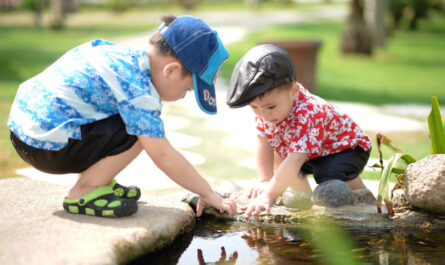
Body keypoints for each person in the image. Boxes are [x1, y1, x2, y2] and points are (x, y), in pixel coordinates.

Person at [7, 15, 236, 218]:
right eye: (187, 90)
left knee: (132, 121)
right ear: (172, 70)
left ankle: (99, 181)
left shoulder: (118, 55)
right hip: (45, 147)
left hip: (24, 133)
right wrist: (207, 192)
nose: (183, 97)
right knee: (143, 132)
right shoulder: (138, 89)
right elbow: (163, 155)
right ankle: (85, 191)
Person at [226, 44, 371, 218]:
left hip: (347, 149)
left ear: (294, 91)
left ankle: (363, 198)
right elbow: (263, 142)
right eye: (254, 108)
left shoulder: (309, 112)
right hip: (312, 152)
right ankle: (305, 202)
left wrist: (268, 195)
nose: (264, 115)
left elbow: (296, 159)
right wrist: (265, 180)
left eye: (270, 106)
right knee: (281, 161)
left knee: (327, 173)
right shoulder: (267, 111)